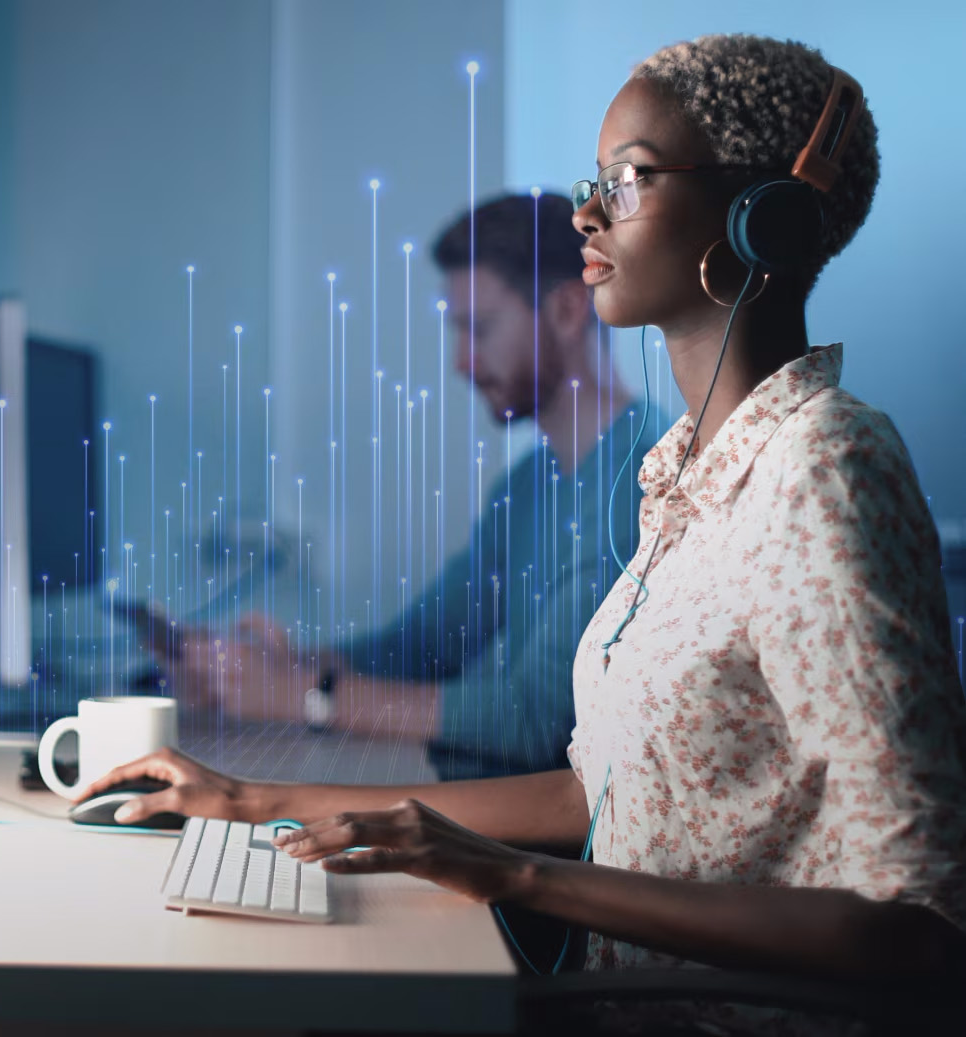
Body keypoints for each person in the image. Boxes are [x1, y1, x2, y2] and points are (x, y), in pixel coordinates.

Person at [84, 33, 966, 1020]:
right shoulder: (683, 472)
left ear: (760, 217)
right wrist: (252, 798)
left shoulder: (826, 467)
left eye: (627, 180)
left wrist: (514, 876)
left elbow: (922, 926)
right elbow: (594, 791)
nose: (587, 213)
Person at [168, 192, 664, 782]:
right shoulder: (530, 484)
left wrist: (305, 695)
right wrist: (278, 666)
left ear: (565, 310)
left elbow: (540, 721)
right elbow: (424, 644)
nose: (460, 362)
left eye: (478, 330)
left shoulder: (640, 483)